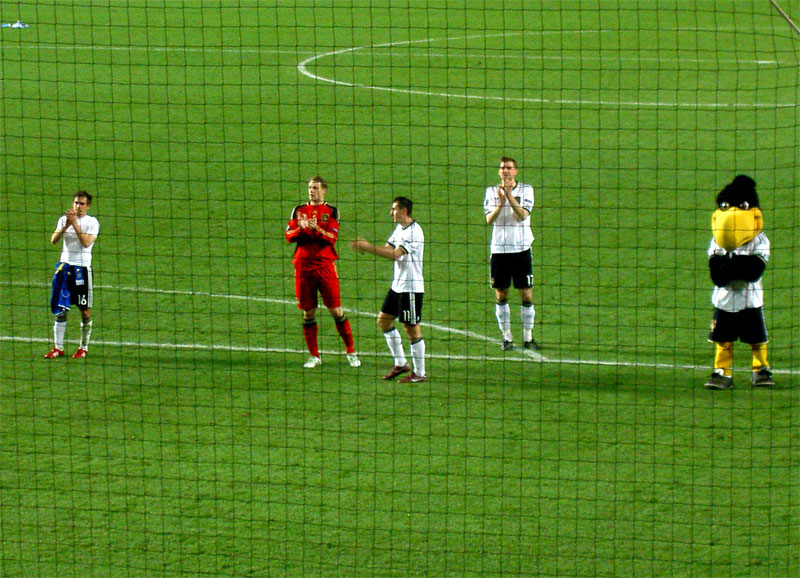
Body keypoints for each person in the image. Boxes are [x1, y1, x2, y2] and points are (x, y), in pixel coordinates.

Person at [705, 175, 773, 389]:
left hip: (750, 300)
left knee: (757, 339)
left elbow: (753, 272)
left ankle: (761, 370)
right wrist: (737, 266)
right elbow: (718, 275)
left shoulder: (760, 240)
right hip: (724, 300)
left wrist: (730, 263)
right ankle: (722, 373)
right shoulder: (717, 240)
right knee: (723, 340)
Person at [285, 176, 360, 368]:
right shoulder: (299, 210)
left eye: (315, 188)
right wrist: (300, 230)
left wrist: (315, 228)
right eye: (310, 187)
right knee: (308, 313)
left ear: (324, 190)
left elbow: (332, 238)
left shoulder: (332, 211)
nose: (311, 191)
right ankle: (314, 356)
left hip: (325, 266)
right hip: (302, 267)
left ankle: (351, 352)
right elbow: (288, 236)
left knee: (336, 310)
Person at [350, 196, 427, 383]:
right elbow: (388, 248)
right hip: (397, 286)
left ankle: (420, 373)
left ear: (404, 211)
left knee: (411, 329)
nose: (391, 212)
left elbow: (395, 255)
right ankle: (401, 363)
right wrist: (368, 248)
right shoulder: (400, 229)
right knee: (384, 321)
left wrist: (368, 247)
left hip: (411, 287)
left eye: (394, 209)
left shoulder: (414, 232)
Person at [483, 156, 540, 351]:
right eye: (502, 168)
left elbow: (522, 215)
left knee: (526, 294)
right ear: (499, 172)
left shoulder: (526, 190)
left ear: (516, 171)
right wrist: (500, 202)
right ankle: (507, 339)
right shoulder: (491, 192)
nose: (505, 171)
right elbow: (489, 220)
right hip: (499, 250)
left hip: (521, 249)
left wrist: (508, 196)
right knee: (501, 294)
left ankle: (528, 338)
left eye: (509, 168)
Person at [44, 191, 100, 359]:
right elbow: (53, 240)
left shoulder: (92, 222)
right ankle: (58, 347)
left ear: (88, 206)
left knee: (84, 311)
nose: (78, 206)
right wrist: (66, 225)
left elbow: (86, 243)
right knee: (60, 309)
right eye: (76, 203)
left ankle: (83, 347)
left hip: (82, 270)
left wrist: (74, 224)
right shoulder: (64, 220)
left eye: (82, 204)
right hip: (64, 267)